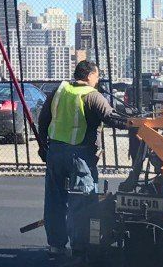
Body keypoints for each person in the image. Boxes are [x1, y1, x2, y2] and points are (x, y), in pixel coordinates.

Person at [35, 60, 119, 255]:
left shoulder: (59, 92)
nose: (97, 80)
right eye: (97, 76)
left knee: (55, 200)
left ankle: (56, 245)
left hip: (55, 153)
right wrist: (133, 122)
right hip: (79, 156)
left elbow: (43, 120)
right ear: (89, 76)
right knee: (83, 201)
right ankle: (80, 247)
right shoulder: (91, 95)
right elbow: (110, 117)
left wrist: (43, 146)